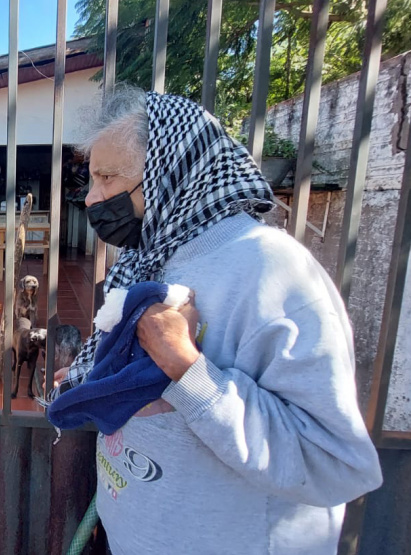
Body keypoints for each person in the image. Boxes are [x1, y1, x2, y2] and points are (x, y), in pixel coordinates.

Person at [49, 85, 382, 554]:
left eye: (107, 178)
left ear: (172, 174)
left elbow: (334, 463)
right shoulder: (150, 259)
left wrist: (189, 370)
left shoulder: (271, 273)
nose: (91, 198)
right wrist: (97, 378)